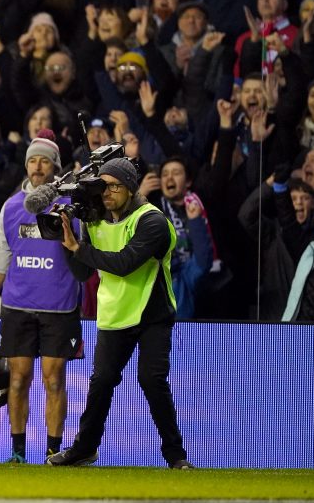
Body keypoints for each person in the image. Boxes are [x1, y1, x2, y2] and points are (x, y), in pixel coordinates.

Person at [49, 157, 193, 470]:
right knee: (101, 381)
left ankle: (176, 456)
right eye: (104, 186)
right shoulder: (95, 220)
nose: (108, 192)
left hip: (153, 314)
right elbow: (81, 273)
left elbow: (124, 264)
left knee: (151, 380)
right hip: (115, 313)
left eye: (115, 186)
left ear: (130, 188)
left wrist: (79, 249)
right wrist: (67, 242)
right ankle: (84, 449)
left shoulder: (151, 221)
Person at [0, 133, 83, 463]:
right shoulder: (10, 208)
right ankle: (18, 453)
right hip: (17, 307)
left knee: (54, 381)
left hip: (59, 307)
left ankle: (53, 452)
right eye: (33, 160)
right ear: (26, 165)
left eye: (45, 160)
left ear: (55, 167)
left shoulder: (72, 206)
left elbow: (84, 254)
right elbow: (2, 254)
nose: (38, 167)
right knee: (18, 380)